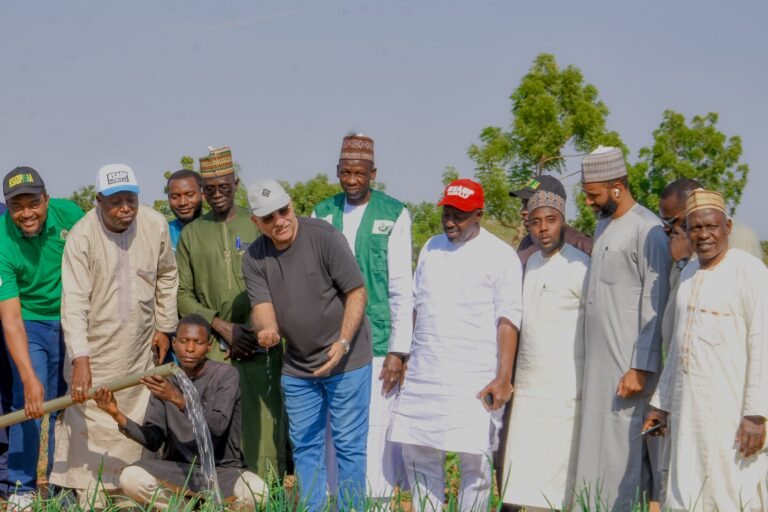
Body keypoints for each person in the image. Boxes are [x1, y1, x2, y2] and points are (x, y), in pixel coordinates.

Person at [388, 179, 523, 512]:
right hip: (426, 372)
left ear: (478, 214)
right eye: (447, 213)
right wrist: (405, 356)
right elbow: (417, 306)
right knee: (418, 452)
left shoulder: (500, 255)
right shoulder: (432, 248)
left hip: (474, 375)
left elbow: (508, 319)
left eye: (459, 216)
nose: (450, 222)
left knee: (474, 460)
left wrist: (503, 377)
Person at [49, 164, 178, 503]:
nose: (125, 208)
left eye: (131, 199)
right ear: (98, 201)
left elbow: (167, 276)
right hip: (95, 350)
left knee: (134, 414)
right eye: (116, 201)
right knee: (90, 417)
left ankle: (131, 491)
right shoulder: (81, 236)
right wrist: (80, 357)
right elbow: (73, 303)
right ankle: (87, 493)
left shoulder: (154, 225)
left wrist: (165, 326)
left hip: (140, 347)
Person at [242, 180, 372, 512]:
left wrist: (342, 343)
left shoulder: (324, 237)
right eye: (268, 218)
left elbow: (356, 292)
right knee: (305, 446)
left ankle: (352, 509)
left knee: (348, 446)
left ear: (292, 205)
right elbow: (262, 307)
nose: (279, 221)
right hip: (299, 367)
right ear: (256, 222)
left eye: (283, 211)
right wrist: (267, 329)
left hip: (348, 360)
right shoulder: (255, 257)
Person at [643, 189, 768, 511]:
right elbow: (680, 346)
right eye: (695, 228)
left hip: (733, 414)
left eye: (711, 226)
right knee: (687, 490)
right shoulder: (688, 273)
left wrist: (756, 414)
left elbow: (762, 343)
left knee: (731, 492)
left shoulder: (750, 272)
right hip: (688, 413)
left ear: (727, 226)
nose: (703, 235)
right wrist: (662, 405)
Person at [176, 146, 286, 478]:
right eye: (210, 189)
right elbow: (182, 295)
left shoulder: (257, 225)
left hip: (261, 344)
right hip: (216, 350)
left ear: (236, 183)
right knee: (215, 425)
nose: (217, 195)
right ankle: (217, 492)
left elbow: (280, 279)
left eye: (224, 187)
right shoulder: (193, 234)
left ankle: (269, 494)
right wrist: (222, 328)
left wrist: (254, 330)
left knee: (265, 427)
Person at [313, 133, 413, 498]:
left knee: (375, 427)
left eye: (360, 173)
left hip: (379, 342)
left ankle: (377, 503)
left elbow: (401, 286)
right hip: (332, 343)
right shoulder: (322, 213)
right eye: (346, 173)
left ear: (374, 172)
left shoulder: (394, 212)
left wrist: (398, 352)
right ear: (337, 171)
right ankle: (335, 501)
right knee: (332, 429)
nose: (352, 181)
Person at [574, 146, 671, 510]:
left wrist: (641, 367)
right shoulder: (604, 226)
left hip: (628, 369)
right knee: (597, 452)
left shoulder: (648, 230)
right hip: (599, 365)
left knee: (623, 456)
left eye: (593, 194)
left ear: (617, 187)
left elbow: (655, 301)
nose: (587, 202)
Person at [94, 314, 268, 509]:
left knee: (258, 492)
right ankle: (184, 507)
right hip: (178, 471)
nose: (190, 349)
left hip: (222, 471)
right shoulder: (165, 381)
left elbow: (217, 426)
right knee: (130, 478)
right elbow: (154, 440)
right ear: (174, 343)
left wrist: (177, 399)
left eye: (198, 342)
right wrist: (116, 413)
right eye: (184, 341)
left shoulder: (225, 375)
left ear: (209, 345)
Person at [0, 167, 84, 505]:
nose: (26, 213)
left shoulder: (72, 215)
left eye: (33, 203)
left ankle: (61, 482)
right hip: (29, 322)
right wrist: (27, 374)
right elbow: (10, 317)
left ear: (47, 199)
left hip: (71, 318)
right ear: (8, 207)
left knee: (67, 405)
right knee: (29, 397)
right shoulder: (2, 239)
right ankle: (22, 487)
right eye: (17, 206)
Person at [501, 189, 589, 511]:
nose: (543, 229)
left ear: (563, 222)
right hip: (529, 392)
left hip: (565, 392)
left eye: (550, 221)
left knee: (557, 482)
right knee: (524, 480)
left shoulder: (581, 266)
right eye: (536, 222)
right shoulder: (528, 264)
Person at [510, 175, 593, 266]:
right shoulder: (526, 242)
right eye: (523, 205)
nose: (522, 211)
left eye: (529, 204)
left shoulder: (582, 245)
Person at [167, 169, 203, 252]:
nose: (182, 203)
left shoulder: (216, 228)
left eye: (190, 195)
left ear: (203, 195)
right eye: (175, 197)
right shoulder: (163, 233)